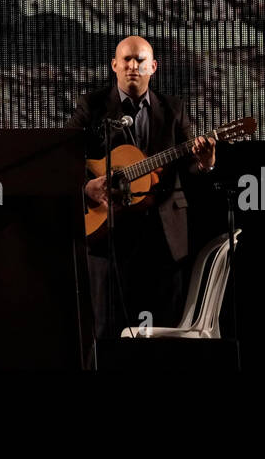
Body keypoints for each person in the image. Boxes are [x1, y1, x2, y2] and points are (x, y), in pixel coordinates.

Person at [66, 36, 215, 350]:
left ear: (153, 67)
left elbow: (190, 167)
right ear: (115, 65)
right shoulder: (92, 106)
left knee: (164, 324)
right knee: (106, 329)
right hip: (108, 235)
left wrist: (205, 162)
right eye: (127, 60)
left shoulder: (173, 109)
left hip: (162, 235)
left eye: (140, 60)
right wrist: (85, 185)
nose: (133, 66)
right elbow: (61, 156)